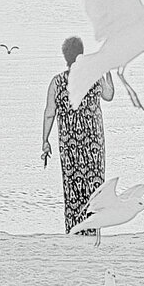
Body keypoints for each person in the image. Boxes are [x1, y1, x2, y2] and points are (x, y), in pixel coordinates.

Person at [41, 36, 114, 235]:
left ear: (65, 56)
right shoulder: (93, 75)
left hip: (69, 144)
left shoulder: (57, 82)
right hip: (94, 144)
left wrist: (45, 140)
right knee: (94, 186)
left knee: (72, 187)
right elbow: (109, 95)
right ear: (81, 55)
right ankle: (93, 230)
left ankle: (74, 230)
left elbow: (49, 112)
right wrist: (107, 69)